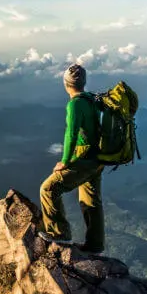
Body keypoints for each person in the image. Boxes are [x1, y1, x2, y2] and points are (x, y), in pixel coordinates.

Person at [38, 63, 105, 254]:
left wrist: (65, 161)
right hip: (98, 157)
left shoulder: (75, 104)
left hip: (82, 157)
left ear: (66, 84)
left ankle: (59, 232)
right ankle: (95, 244)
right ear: (84, 82)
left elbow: (71, 134)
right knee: (91, 200)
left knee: (48, 189)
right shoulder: (91, 99)